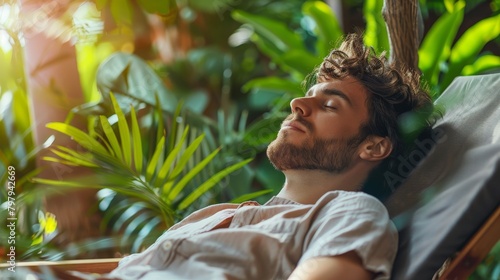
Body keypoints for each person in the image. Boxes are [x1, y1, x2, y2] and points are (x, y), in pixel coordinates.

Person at [105, 33, 432, 280]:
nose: (297, 105)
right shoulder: (218, 214)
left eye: (330, 105)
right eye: (308, 96)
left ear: (373, 146)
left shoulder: (349, 214)